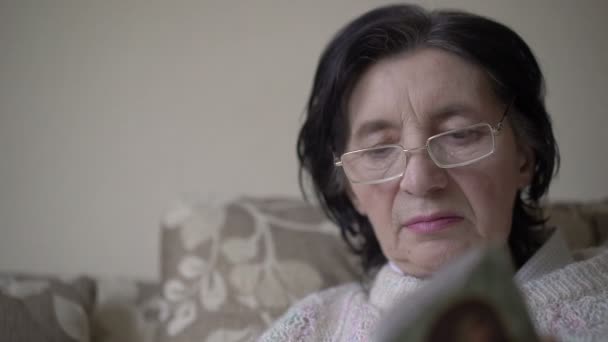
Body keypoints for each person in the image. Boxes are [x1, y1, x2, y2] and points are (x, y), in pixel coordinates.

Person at [259, 4, 608, 341]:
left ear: (524, 156)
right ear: (350, 188)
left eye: (459, 134)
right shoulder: (310, 329)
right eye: (379, 150)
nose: (420, 181)